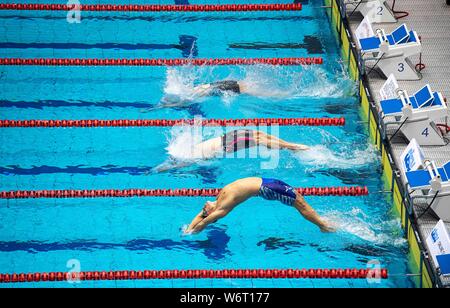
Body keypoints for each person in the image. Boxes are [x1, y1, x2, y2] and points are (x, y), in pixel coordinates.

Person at [184, 177, 335, 234]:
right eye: (205, 209)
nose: (204, 206)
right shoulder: (222, 209)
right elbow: (204, 221)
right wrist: (191, 232)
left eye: (204, 207)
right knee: (299, 203)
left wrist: (189, 227)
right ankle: (323, 226)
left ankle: (322, 223)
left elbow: (202, 215)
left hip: (267, 181)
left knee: (300, 200)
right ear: (213, 213)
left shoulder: (218, 199)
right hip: (267, 188)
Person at [155, 129, 309, 172]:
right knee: (259, 135)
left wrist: (158, 170)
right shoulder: (189, 150)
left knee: (259, 140)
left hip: (227, 144)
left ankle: (292, 147)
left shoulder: (190, 158)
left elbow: (176, 165)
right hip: (228, 136)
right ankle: (292, 145)